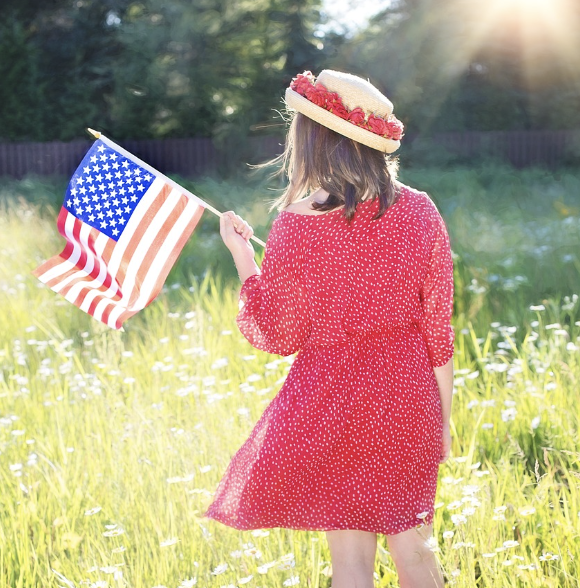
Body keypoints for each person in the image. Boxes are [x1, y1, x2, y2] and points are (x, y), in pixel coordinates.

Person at [203, 69, 455, 588]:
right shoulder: (422, 212)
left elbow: (277, 333)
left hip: (331, 403)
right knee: (418, 556)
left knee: (350, 568)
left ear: (316, 140)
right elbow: (438, 336)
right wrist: (442, 423)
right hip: (405, 399)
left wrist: (243, 258)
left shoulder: (297, 222)